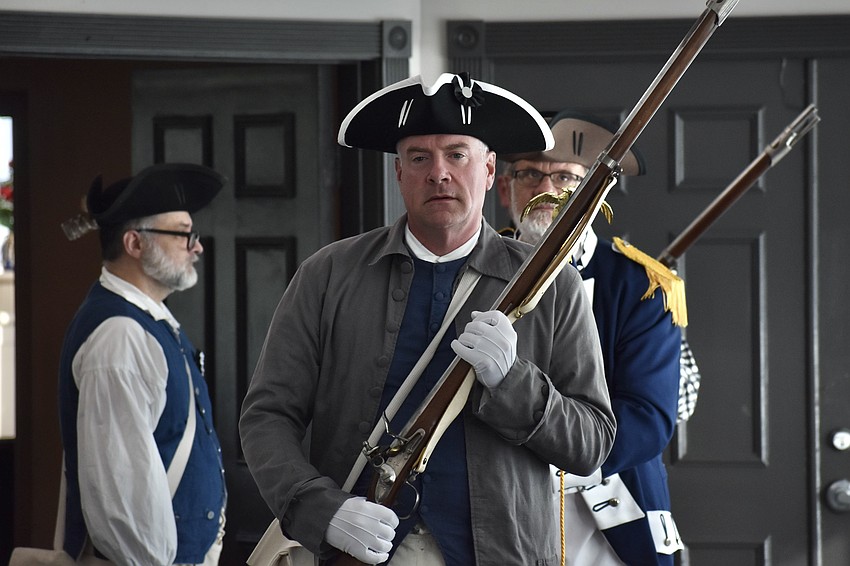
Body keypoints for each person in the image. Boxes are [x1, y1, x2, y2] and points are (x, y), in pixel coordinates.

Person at [239, 73, 616, 566]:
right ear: (399, 174)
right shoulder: (328, 275)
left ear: (488, 170)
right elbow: (268, 417)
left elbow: (592, 442)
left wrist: (511, 382)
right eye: (419, 157)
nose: (438, 172)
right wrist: (318, 508)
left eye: (457, 154)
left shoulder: (551, 285)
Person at [497, 110, 685, 565]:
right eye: (529, 174)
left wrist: (552, 455)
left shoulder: (642, 284)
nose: (546, 189)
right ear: (504, 188)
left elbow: (647, 417)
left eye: (565, 176)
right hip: (500, 502)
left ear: (594, 191)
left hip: (614, 509)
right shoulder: (475, 275)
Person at [57, 163, 228, 565]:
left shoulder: (146, 323)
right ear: (135, 243)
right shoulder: (121, 336)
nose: (197, 246)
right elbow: (122, 499)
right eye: (184, 233)